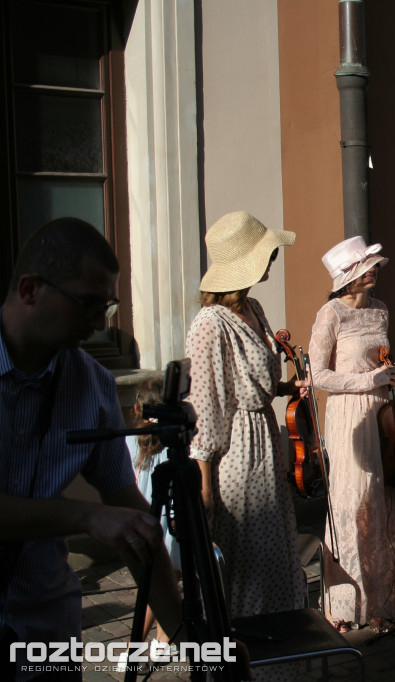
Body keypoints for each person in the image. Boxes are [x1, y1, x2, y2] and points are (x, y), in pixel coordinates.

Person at [0, 218, 183, 681]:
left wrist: (191, 637)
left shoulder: (92, 385)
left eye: (108, 306)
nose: (101, 324)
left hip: (48, 636)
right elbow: (101, 517)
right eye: (88, 305)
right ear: (29, 290)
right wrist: (84, 517)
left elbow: (130, 515)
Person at [185, 211, 305, 636]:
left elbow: (260, 380)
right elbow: (206, 405)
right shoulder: (209, 324)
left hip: (266, 439)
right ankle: (247, 658)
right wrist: (202, 482)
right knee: (246, 565)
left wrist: (286, 389)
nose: (273, 259)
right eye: (267, 252)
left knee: (274, 555)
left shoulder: (253, 307)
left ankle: (280, 651)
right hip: (234, 450)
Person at [309, 236, 395, 633]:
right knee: (353, 506)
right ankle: (344, 606)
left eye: (374, 266)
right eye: (365, 267)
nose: (373, 272)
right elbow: (317, 375)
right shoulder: (330, 313)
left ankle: (381, 602)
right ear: (345, 276)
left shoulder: (381, 310)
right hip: (348, 415)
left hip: (381, 412)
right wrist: (370, 378)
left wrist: (394, 376)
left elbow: (384, 360)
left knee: (383, 503)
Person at [128, 377, 182, 648]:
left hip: (145, 517)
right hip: (165, 520)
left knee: (170, 577)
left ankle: (163, 638)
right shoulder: (167, 441)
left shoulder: (130, 440)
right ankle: (134, 645)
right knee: (161, 583)